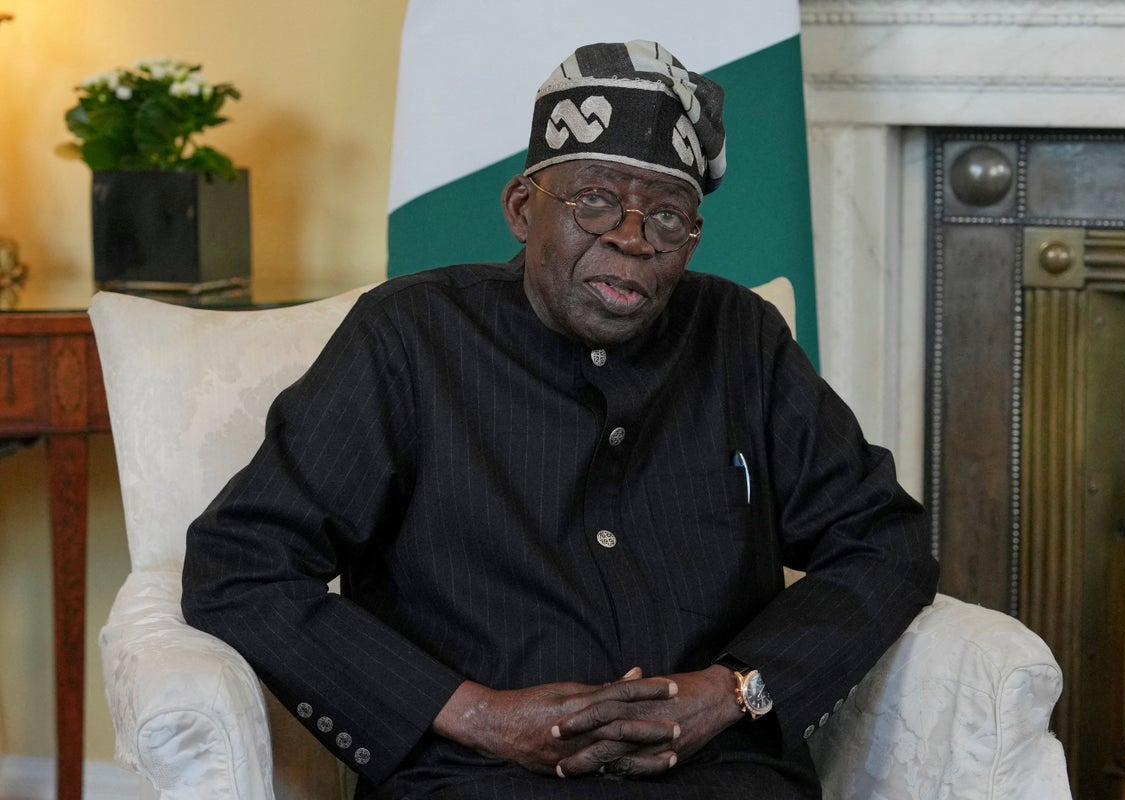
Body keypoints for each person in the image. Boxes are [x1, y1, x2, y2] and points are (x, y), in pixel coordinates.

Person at [182, 40, 939, 799]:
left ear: (692, 239)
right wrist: (474, 714)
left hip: (719, 775)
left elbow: (884, 539)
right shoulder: (408, 338)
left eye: (667, 217)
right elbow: (241, 564)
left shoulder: (741, 338)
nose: (632, 237)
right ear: (522, 207)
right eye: (594, 201)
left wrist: (736, 690)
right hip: (474, 778)